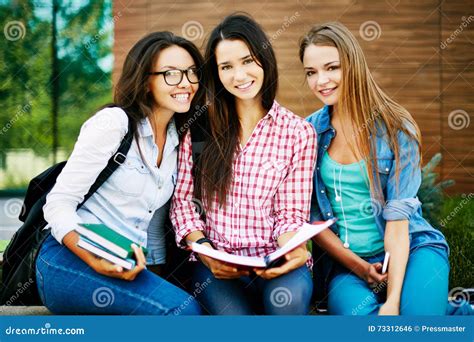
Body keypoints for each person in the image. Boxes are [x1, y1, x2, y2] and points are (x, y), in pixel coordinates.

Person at [36, 31, 204, 315]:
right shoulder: (114, 124)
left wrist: (157, 281)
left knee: (185, 306)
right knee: (183, 314)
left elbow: (151, 225)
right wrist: (94, 258)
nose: (186, 83)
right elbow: (58, 203)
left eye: (191, 72)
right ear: (145, 80)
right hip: (68, 259)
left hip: (124, 261)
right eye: (171, 74)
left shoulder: (180, 140)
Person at [300, 22, 451, 315]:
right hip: (348, 265)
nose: (321, 80)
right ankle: (453, 311)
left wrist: (392, 301)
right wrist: (361, 268)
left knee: (415, 322)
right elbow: (313, 222)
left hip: (413, 248)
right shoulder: (307, 133)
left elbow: (397, 221)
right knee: (364, 323)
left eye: (332, 67)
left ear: (353, 65)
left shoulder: (396, 129)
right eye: (311, 72)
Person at [170, 14, 317, 315]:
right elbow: (183, 204)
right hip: (216, 266)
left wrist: (290, 250)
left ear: (264, 59)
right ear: (216, 73)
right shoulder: (200, 129)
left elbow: (290, 213)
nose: (239, 75)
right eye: (226, 66)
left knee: (287, 304)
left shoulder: (298, 132)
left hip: (275, 259)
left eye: (247, 60)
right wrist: (207, 252)